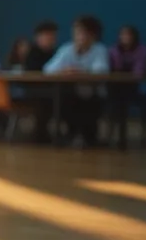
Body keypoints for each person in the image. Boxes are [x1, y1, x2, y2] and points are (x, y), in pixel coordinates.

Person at [45, 15, 110, 146]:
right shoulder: (67, 49)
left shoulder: (99, 50)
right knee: (62, 99)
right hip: (69, 92)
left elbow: (101, 71)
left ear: (92, 35)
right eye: (76, 32)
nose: (79, 36)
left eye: (82, 32)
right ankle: (71, 134)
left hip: (93, 93)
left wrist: (79, 72)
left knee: (88, 104)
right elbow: (48, 69)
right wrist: (64, 71)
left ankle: (89, 137)